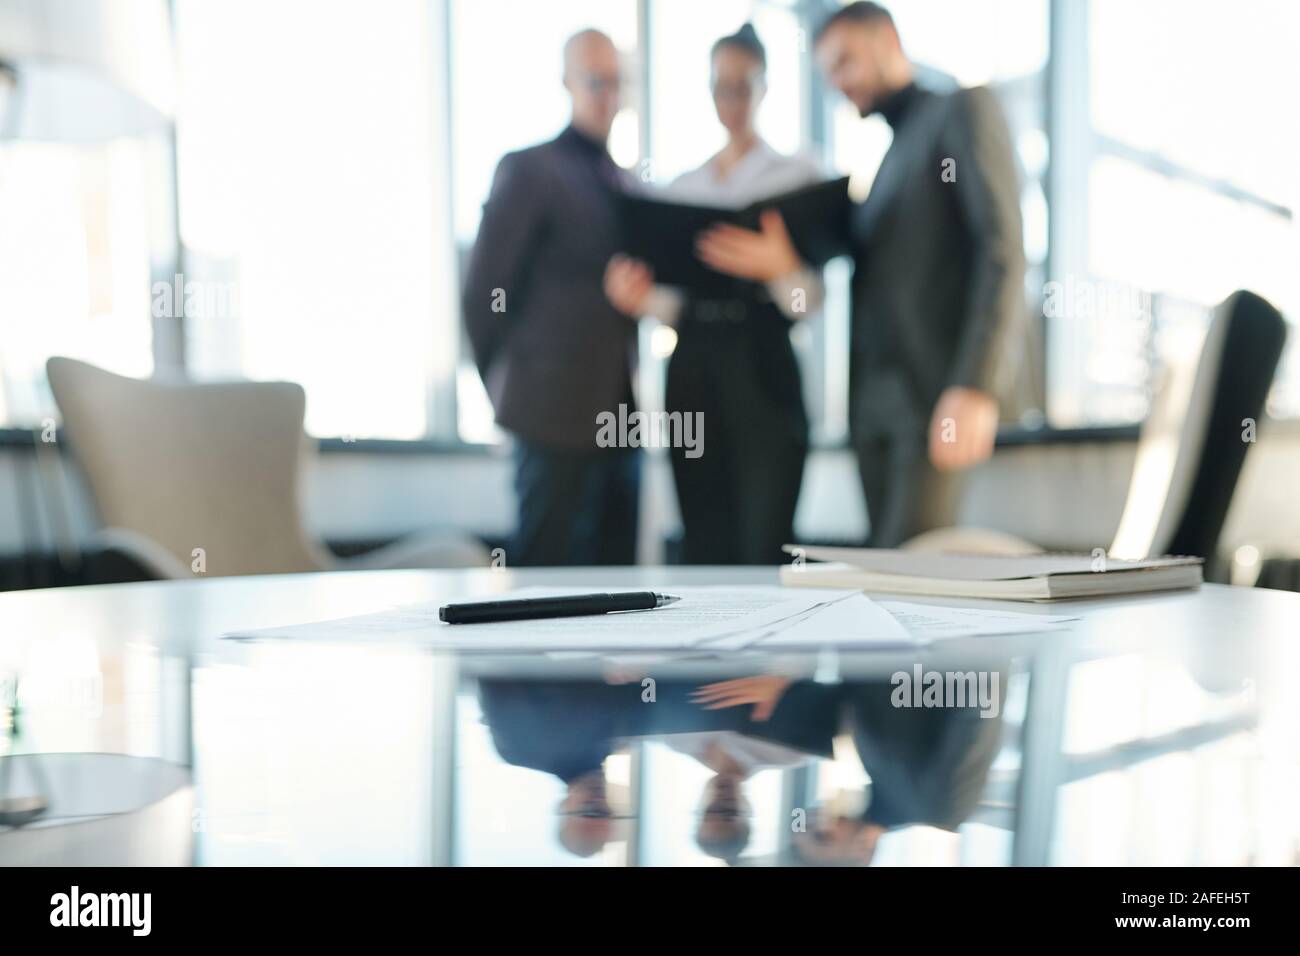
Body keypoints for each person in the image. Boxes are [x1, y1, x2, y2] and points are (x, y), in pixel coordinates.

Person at [604, 24, 824, 565]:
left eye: (743, 85)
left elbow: (806, 306)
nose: (733, 100)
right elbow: (677, 306)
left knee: (765, 536)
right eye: (721, 87)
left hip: (765, 365)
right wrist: (640, 301)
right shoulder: (683, 188)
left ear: (765, 86)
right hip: (694, 369)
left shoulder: (799, 176)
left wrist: (781, 267)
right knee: (704, 537)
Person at [811, 2, 1026, 547]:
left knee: (912, 573)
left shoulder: (961, 110)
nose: (838, 83)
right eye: (828, 73)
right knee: (884, 573)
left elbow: (1000, 250)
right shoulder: (889, 155)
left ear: (886, 40)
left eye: (844, 62)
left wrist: (975, 384)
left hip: (934, 397)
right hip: (874, 410)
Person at [462, 30, 639, 567]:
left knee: (620, 596)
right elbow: (482, 296)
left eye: (616, 82)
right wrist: (513, 394)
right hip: (549, 422)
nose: (606, 93)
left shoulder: (626, 184)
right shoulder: (530, 169)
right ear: (567, 81)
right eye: (594, 80)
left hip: (620, 423)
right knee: (544, 588)